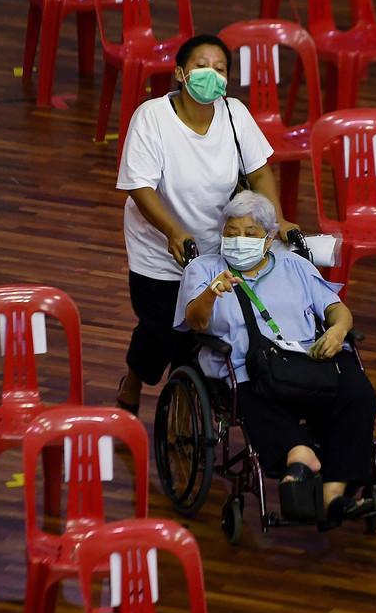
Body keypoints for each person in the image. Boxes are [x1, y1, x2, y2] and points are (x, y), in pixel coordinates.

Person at [115, 34, 298, 416]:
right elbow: (140, 187)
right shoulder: (152, 118)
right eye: (201, 66)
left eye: (219, 69)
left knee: (197, 335)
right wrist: (172, 232)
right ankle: (133, 381)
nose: (210, 75)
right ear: (181, 73)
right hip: (159, 249)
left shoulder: (234, 114)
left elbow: (261, 173)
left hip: (215, 248)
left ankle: (181, 412)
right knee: (160, 332)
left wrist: (275, 218)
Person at [174, 191, 376, 530]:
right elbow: (195, 322)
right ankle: (299, 453)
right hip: (247, 367)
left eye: (251, 234)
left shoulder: (295, 265)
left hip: (307, 360)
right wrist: (212, 292)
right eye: (232, 232)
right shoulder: (203, 269)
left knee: (358, 394)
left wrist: (339, 330)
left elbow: (334, 308)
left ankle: (334, 492)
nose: (239, 241)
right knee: (256, 396)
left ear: (269, 239)